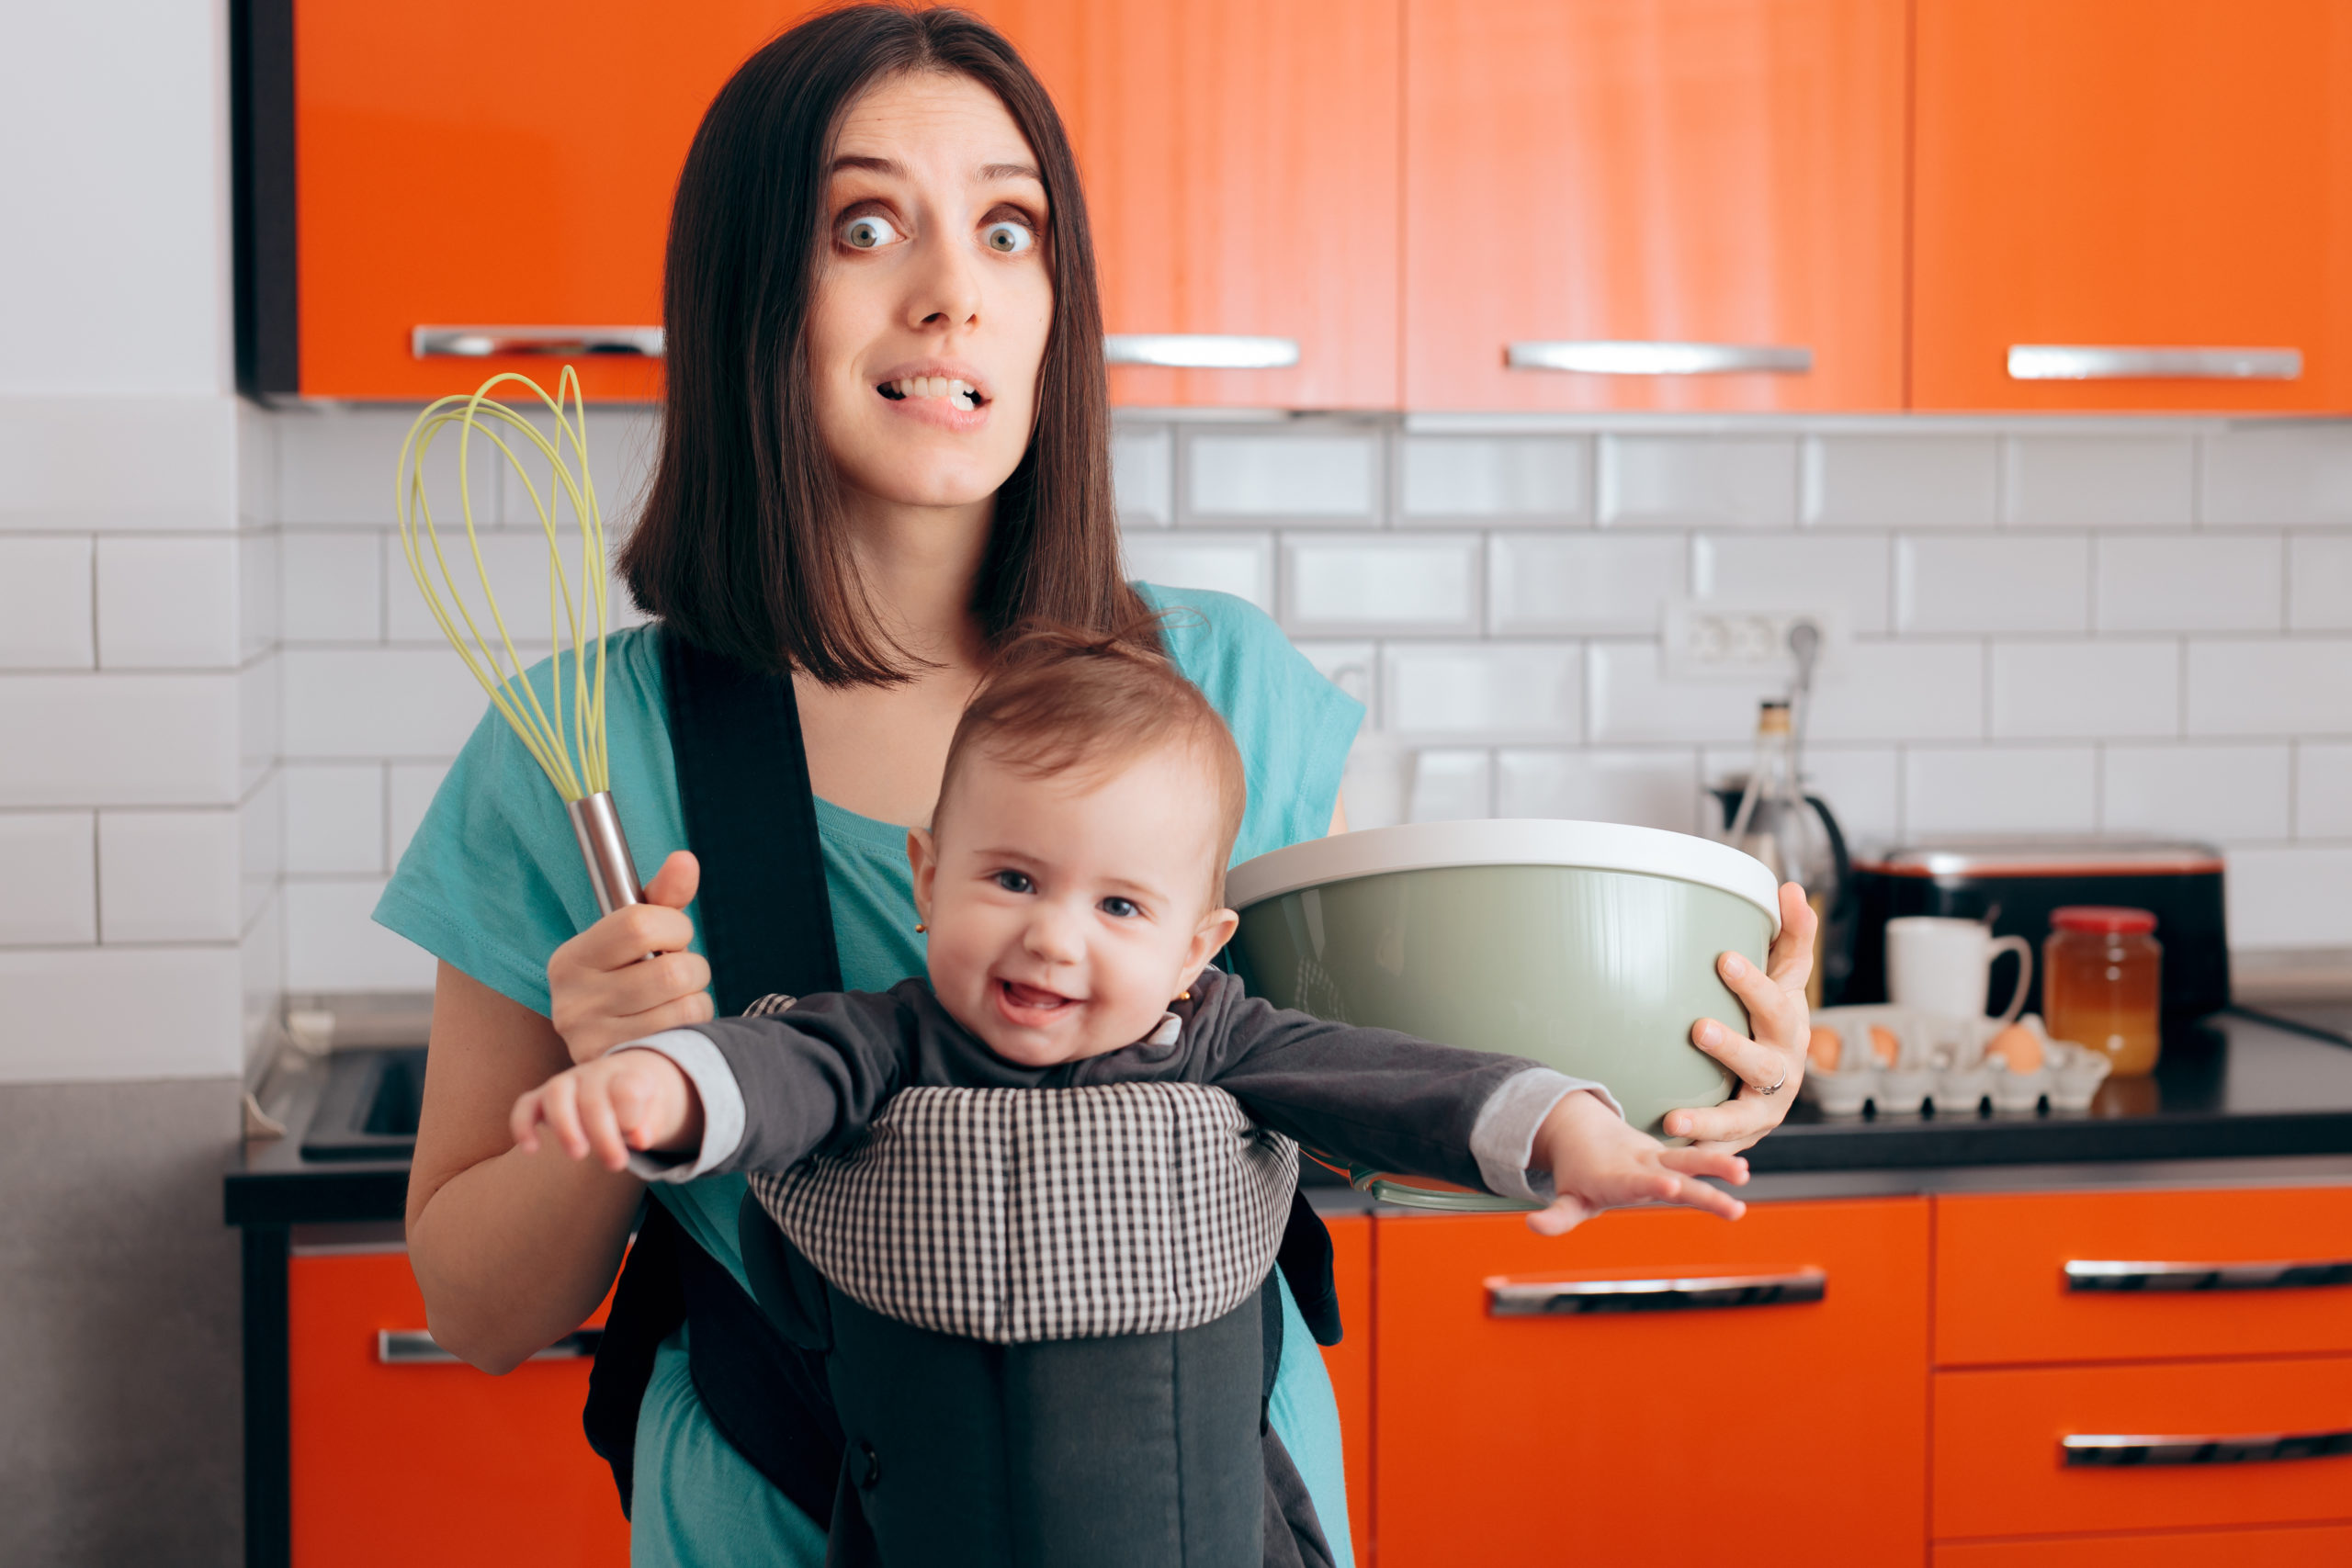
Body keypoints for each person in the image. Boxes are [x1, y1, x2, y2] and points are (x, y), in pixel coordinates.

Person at [383, 9, 1820, 1567]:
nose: (952, 294)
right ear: (747, 295)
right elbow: (479, 1312)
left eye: (1011, 230)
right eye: (867, 226)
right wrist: (610, 1089)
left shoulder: (1219, 689)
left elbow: (1329, 1101)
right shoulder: (584, 749)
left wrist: (1676, 1071)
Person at [510, 625, 1755, 1564]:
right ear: (929, 875)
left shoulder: (1219, 1039)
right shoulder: (882, 1045)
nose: (1055, 940)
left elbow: (1389, 1080)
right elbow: (763, 1071)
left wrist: (1570, 1129)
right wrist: (651, 1089)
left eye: (1118, 908)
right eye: (1010, 878)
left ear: (1197, 945)